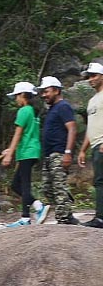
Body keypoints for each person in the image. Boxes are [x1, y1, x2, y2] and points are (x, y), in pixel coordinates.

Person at [2, 81, 47, 227]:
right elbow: (26, 134)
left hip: (27, 151)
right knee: (16, 184)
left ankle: (25, 218)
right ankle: (38, 205)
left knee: (25, 184)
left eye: (16, 96)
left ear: (23, 95)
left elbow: (18, 133)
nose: (16, 99)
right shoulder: (32, 111)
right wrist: (10, 150)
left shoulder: (24, 111)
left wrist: (9, 154)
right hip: (31, 151)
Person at [37, 75, 80, 225]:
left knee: (58, 186)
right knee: (47, 188)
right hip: (49, 155)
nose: (44, 95)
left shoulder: (63, 106)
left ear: (56, 90)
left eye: (46, 91)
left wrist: (67, 153)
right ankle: (66, 211)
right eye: (42, 92)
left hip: (59, 153)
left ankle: (65, 218)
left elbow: (72, 129)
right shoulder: (52, 109)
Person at [78, 63, 103, 228]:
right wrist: (82, 150)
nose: (90, 79)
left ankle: (101, 218)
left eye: (94, 75)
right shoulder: (92, 100)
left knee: (101, 181)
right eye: (88, 76)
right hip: (95, 145)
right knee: (99, 181)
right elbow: (91, 126)